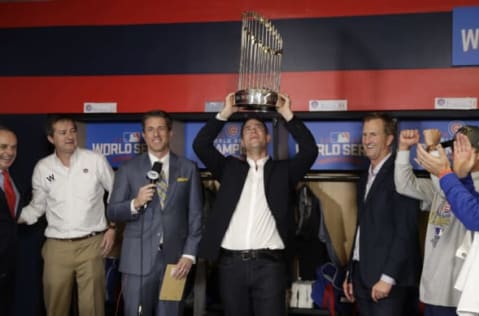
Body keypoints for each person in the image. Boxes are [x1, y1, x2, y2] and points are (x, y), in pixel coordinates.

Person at [193, 92, 318, 316]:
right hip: (231, 264)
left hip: (269, 266)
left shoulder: (283, 171)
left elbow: (310, 150)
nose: (252, 130)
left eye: (258, 128)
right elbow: (201, 145)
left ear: (268, 138)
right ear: (241, 142)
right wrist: (226, 113)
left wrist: (286, 113)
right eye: (247, 129)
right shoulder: (229, 169)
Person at [107, 110, 203, 316]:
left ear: (170, 133)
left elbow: (196, 215)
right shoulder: (128, 169)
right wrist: (135, 203)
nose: (156, 134)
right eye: (150, 129)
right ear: (143, 135)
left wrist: (188, 254)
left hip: (175, 262)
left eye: (161, 128)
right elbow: (113, 211)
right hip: (137, 262)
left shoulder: (188, 168)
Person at [18, 115, 116, 316]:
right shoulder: (45, 169)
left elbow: (116, 194)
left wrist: (112, 227)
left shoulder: (95, 160)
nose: (69, 136)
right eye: (63, 133)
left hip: (91, 244)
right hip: (56, 248)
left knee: (93, 309)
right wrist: (11, 216)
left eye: (72, 131)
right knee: (56, 307)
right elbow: (37, 207)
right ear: (51, 138)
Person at [395, 128, 479, 316]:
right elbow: (404, 185)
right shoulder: (449, 181)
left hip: (461, 294)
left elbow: (457, 199)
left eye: (463, 148)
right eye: (454, 147)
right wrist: (402, 150)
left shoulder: (467, 184)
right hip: (433, 288)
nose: (456, 154)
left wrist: (434, 149)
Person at [343, 113, 420, 316]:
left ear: (389, 139)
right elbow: (362, 227)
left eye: (374, 135)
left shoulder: (400, 174)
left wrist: (388, 278)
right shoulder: (364, 177)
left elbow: (406, 231)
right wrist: (351, 272)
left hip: (388, 282)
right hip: (362, 277)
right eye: (365, 134)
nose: (367, 140)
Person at [0, 125, 21, 316]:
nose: (9, 152)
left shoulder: (9, 177)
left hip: (7, 262)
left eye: (13, 147)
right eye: (3, 146)